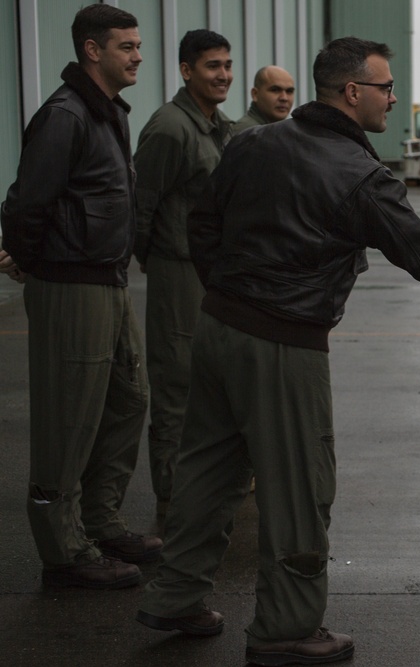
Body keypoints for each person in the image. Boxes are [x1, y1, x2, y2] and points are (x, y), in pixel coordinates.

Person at [136, 37, 420, 665]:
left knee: (207, 468)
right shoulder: (360, 175)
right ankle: (286, 627)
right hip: (283, 343)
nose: (394, 97)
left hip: (217, 329)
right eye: (386, 87)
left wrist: (228, 291)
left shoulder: (250, 143)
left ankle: (175, 594)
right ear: (353, 92)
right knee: (299, 482)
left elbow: (201, 224)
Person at [0, 3, 160, 589]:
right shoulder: (66, 116)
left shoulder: (107, 113)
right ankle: (64, 551)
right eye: (127, 46)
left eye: (138, 45)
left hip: (110, 281)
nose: (139, 55)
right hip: (72, 285)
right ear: (92, 50)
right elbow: (24, 206)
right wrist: (39, 267)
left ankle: (100, 519)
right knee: (67, 420)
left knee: (128, 398)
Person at [132, 29, 234, 518]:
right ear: (186, 70)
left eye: (228, 65)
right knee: (175, 385)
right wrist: (153, 259)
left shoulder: (218, 126)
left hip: (210, 273)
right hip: (176, 270)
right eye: (213, 66)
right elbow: (140, 204)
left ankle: (201, 485)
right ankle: (172, 498)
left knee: (209, 383)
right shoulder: (170, 127)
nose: (224, 75)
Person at [232, 65, 295, 133]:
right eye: (275, 90)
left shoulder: (280, 131)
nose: (284, 98)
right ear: (255, 94)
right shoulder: (247, 133)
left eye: (289, 91)